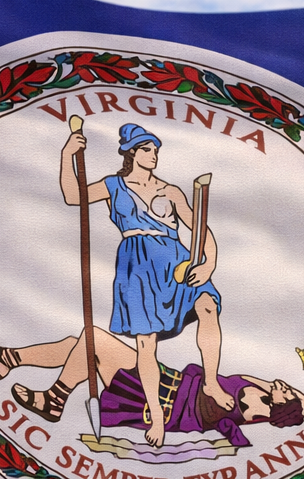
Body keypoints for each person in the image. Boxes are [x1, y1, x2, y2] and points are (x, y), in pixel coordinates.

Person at [57, 122, 228, 448]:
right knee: (146, 344)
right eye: (147, 149)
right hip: (137, 268)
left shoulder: (172, 191)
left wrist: (208, 264)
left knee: (207, 305)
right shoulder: (114, 185)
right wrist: (68, 154)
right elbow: (72, 197)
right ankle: (157, 416)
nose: (154, 156)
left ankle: (210, 382)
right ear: (132, 153)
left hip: (177, 264)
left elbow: (201, 230)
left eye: (156, 150)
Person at [0, 325, 304, 449]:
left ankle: (54, 399)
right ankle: (6, 360)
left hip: (163, 401)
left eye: (289, 393)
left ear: (282, 407)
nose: (285, 386)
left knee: (93, 340)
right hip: (169, 379)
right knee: (79, 343)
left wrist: (292, 405)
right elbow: (298, 403)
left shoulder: (252, 409)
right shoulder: (263, 390)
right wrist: (285, 395)